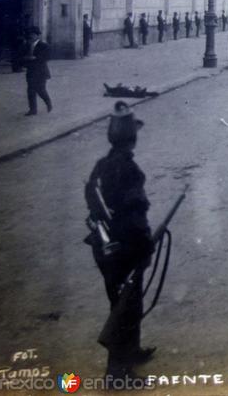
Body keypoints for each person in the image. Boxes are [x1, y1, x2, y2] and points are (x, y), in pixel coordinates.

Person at [84, 101, 156, 384]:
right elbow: (136, 216)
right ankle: (116, 372)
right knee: (125, 307)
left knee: (124, 301)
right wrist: (147, 245)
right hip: (125, 247)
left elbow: (93, 204)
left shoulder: (101, 166)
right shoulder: (130, 170)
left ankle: (132, 352)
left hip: (104, 248)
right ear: (133, 139)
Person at [21, 26, 53, 115]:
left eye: (33, 35)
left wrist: (35, 58)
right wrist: (25, 60)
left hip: (41, 72)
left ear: (38, 36)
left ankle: (48, 103)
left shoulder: (44, 46)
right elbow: (22, 56)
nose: (31, 36)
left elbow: (47, 57)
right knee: (30, 91)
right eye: (30, 35)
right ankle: (33, 110)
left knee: (41, 90)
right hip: (31, 72)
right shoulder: (27, 46)